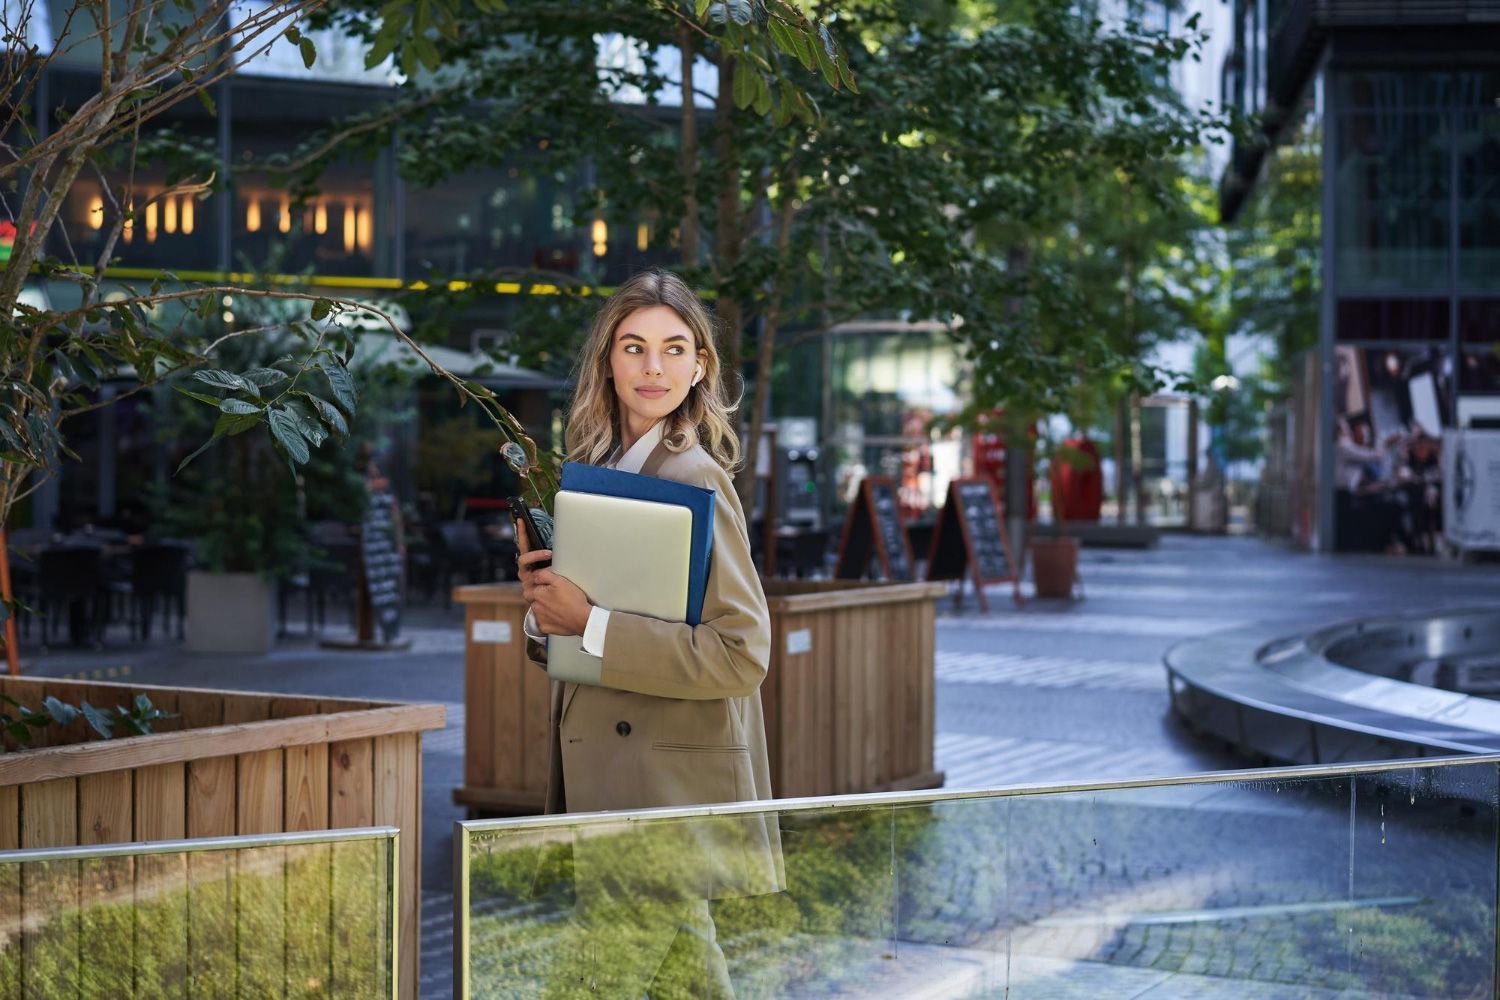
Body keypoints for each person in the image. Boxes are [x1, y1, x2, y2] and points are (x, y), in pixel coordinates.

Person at [515, 269, 782, 998]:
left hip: (662, 799)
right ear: (608, 360)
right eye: (634, 347)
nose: (653, 367)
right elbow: (582, 633)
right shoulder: (595, 472)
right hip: (622, 790)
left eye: (673, 348)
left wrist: (592, 622)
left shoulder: (694, 477)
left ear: (701, 366)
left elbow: (742, 652)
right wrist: (546, 617)